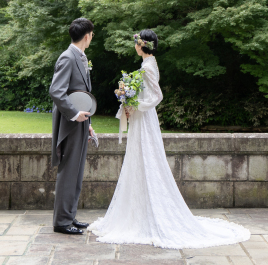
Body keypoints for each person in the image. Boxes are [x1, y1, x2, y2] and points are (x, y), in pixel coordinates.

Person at [88, 29, 250, 248]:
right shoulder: (148, 63)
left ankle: (148, 213)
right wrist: (129, 101)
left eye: (136, 43)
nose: (134, 46)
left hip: (145, 120)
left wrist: (135, 105)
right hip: (141, 119)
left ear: (141, 45)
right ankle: (139, 210)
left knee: (147, 159)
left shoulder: (147, 67)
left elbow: (157, 96)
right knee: (138, 161)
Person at [49, 17, 96, 235]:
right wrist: (76, 114)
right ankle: (61, 222)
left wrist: (88, 124)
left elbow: (83, 95)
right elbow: (56, 91)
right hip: (69, 122)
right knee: (68, 171)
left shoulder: (81, 57)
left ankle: (69, 215)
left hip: (80, 122)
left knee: (76, 172)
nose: (92, 38)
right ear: (87, 35)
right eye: (92, 34)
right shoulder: (68, 57)